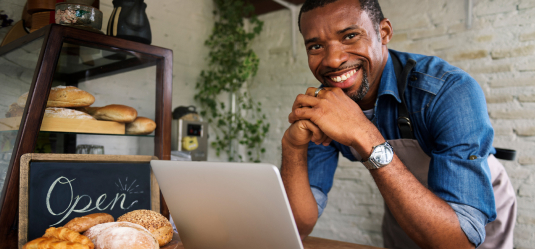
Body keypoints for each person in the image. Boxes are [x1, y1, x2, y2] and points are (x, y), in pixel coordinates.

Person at [280, 0, 517, 248]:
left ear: (384, 33)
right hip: (404, 205)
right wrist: (292, 146)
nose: (333, 60)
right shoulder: (323, 107)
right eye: (316, 46)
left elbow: (458, 243)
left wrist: (363, 134)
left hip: (475, 212)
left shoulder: (449, 91)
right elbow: (296, 225)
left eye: (350, 36)